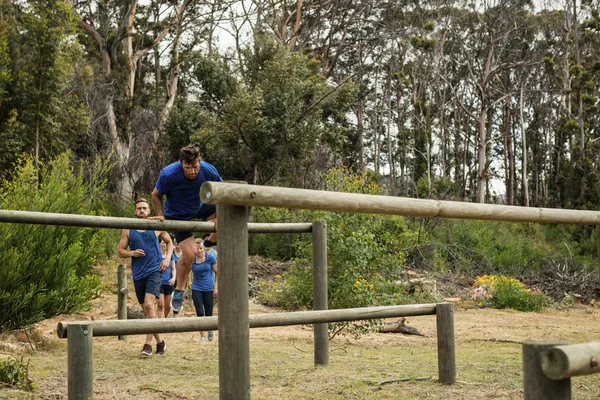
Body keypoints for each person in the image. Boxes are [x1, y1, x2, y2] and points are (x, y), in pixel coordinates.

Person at [151, 144, 223, 313]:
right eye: (187, 168)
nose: (192, 171)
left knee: (224, 219)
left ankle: (209, 242)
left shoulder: (208, 170)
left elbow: (221, 191)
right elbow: (156, 195)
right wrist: (160, 214)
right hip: (177, 214)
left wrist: (219, 215)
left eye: (195, 167)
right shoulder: (168, 174)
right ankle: (179, 290)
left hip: (198, 206)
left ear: (200, 162)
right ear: (181, 163)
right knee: (190, 254)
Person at [118, 198, 173, 356]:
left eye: (144, 208)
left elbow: (169, 243)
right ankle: (160, 343)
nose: (142, 211)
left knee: (149, 306)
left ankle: (147, 345)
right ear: (135, 212)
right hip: (138, 273)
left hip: (154, 270)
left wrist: (167, 259)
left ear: (149, 211)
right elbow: (120, 251)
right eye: (139, 208)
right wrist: (132, 253)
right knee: (147, 311)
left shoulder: (156, 227)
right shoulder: (128, 229)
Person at [191, 240, 218, 342]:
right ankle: (202, 335)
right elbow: (187, 270)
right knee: (199, 311)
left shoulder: (210, 258)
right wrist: (189, 281)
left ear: (204, 248)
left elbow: (217, 272)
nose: (199, 251)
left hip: (208, 288)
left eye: (201, 248)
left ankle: (210, 329)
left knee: (208, 312)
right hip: (196, 287)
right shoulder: (192, 259)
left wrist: (216, 287)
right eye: (197, 249)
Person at [157, 240, 176, 318]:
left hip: (169, 282)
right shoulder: (157, 255)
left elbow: (173, 269)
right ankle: (161, 327)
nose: (164, 244)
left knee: (168, 307)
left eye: (165, 243)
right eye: (162, 243)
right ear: (160, 244)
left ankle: (162, 322)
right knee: (161, 306)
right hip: (159, 283)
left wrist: (174, 278)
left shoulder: (171, 255)